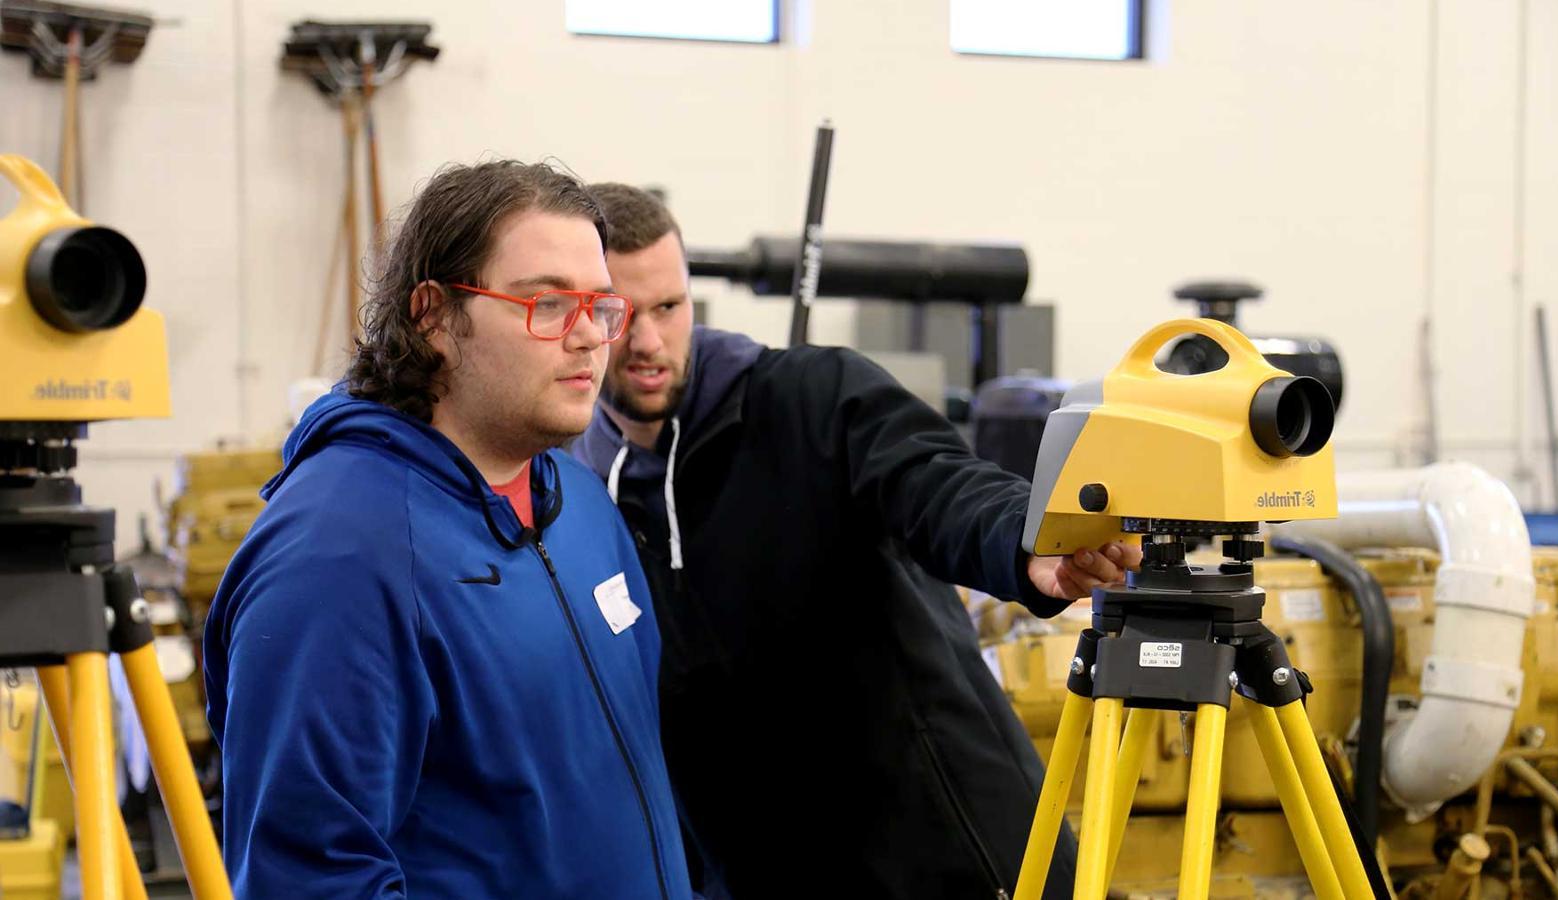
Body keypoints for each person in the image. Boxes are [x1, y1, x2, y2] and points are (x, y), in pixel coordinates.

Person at [571, 183, 1141, 899]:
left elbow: (934, 478)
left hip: (949, 848)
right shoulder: (574, 488)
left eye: (669, 307)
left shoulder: (812, 397)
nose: (649, 341)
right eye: (621, 313)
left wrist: (1029, 542)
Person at [202, 161, 693, 899]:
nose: (591, 337)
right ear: (433, 315)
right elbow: (310, 878)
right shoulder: (339, 556)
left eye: (599, 305)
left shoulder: (581, 503)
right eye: (549, 304)